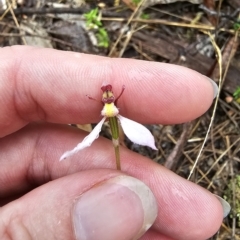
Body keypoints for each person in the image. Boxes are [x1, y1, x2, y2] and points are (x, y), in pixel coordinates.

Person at [0, 46, 229, 240]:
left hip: (117, 122)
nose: (108, 98)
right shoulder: (106, 112)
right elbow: (86, 141)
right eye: (106, 98)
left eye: (110, 97)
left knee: (130, 145)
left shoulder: (116, 113)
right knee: (96, 147)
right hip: (108, 123)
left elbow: (141, 136)